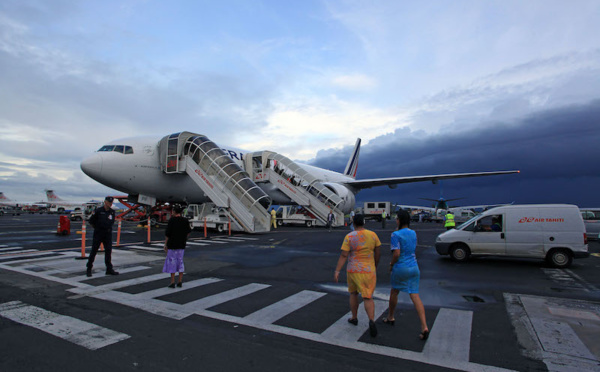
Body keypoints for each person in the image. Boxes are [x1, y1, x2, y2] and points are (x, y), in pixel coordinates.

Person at [383, 210, 429, 341]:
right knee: (415, 295)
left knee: (394, 292)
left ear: (399, 220)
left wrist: (391, 264)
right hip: (414, 267)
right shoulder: (413, 233)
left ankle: (391, 316)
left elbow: (396, 253)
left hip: (401, 267)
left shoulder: (395, 235)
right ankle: (424, 326)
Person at [334, 214, 381, 337]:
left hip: (353, 270)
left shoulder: (349, 236)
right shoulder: (373, 235)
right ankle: (371, 320)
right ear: (364, 223)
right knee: (368, 297)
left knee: (353, 294)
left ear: (353, 223)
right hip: (368, 270)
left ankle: (354, 317)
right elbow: (378, 252)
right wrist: (374, 265)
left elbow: (344, 255)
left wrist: (337, 270)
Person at [86, 196, 119, 277]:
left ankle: (109, 269)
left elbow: (112, 222)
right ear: (105, 202)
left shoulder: (112, 212)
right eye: (108, 202)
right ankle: (89, 268)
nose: (110, 204)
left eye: (111, 203)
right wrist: (97, 228)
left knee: (108, 251)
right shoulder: (98, 211)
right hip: (98, 233)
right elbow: (91, 221)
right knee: (94, 251)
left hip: (107, 234)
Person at [163, 204, 192, 288]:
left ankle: (172, 282)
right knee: (180, 261)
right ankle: (180, 281)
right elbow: (188, 231)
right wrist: (184, 237)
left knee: (172, 262)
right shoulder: (185, 220)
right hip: (181, 244)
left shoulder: (172, 220)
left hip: (172, 244)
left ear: (174, 211)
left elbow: (168, 234)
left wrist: (165, 244)